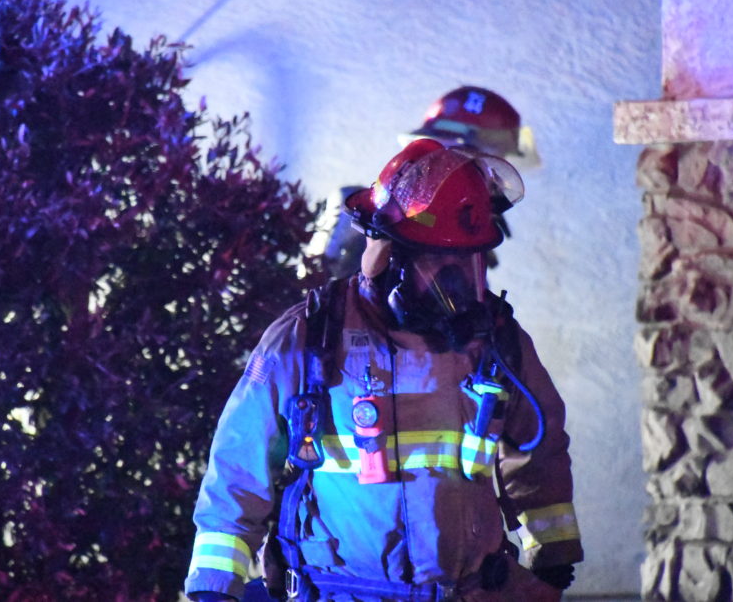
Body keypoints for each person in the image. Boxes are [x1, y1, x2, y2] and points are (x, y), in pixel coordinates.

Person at [184, 137, 582, 601]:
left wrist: (553, 558)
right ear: (390, 257)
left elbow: (539, 453)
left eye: (466, 261)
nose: (457, 280)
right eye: (438, 260)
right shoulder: (309, 336)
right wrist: (215, 587)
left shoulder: (495, 339)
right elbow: (238, 468)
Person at [323, 86, 537, 279]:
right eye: (488, 167)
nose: (494, 181)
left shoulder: (462, 237)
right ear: (454, 157)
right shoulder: (367, 217)